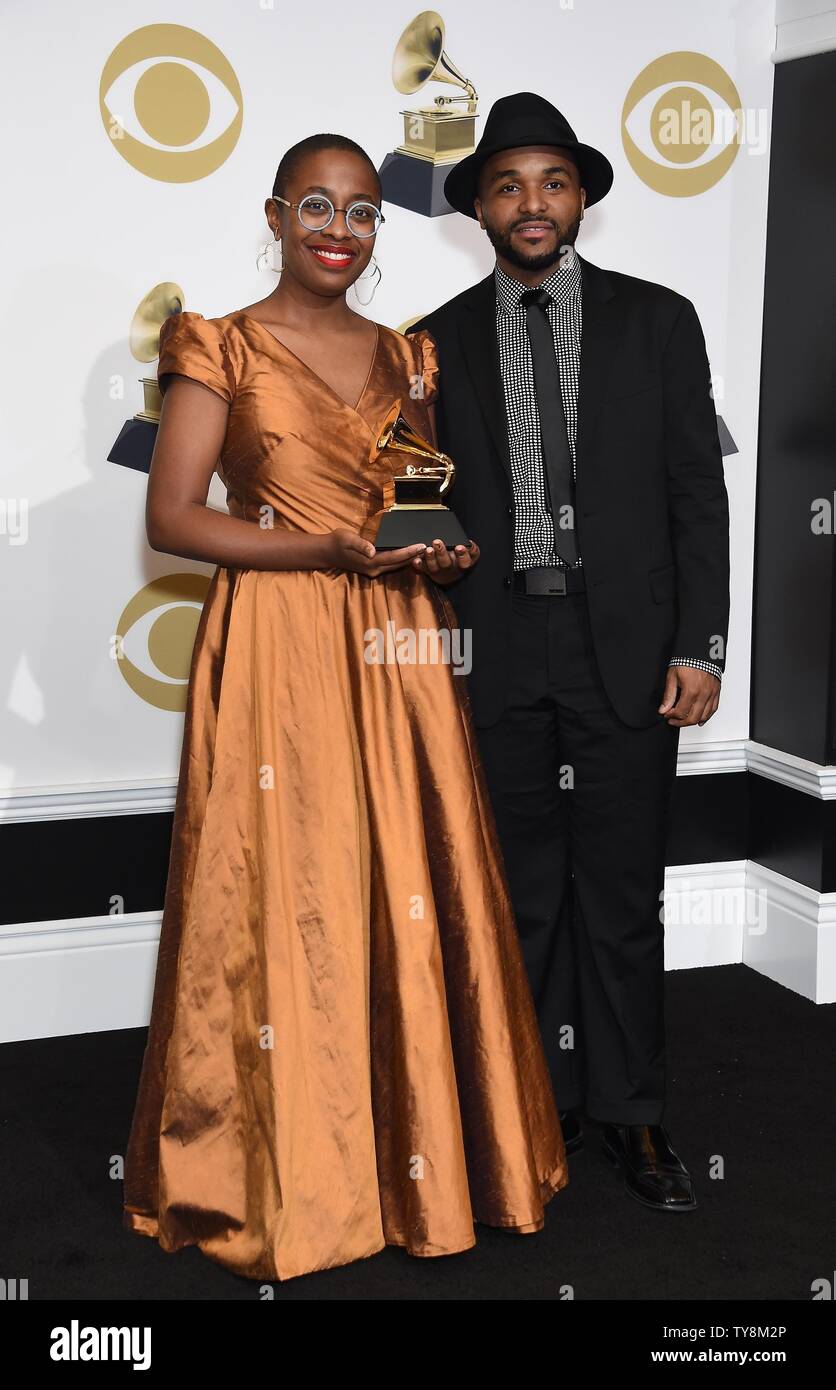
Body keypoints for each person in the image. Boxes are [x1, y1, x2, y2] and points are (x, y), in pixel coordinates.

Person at [121, 133, 567, 1283]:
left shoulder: (408, 356)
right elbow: (172, 520)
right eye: (315, 205)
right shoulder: (218, 343)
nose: (338, 227)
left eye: (362, 210)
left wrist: (445, 553)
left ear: (377, 230)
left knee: (409, 887)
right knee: (288, 886)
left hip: (396, 639)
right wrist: (315, 545)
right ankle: (284, 1178)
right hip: (275, 634)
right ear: (274, 215)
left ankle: (421, 1151)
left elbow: (416, 508)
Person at [408, 93, 730, 1212]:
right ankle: (524, 1113)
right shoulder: (431, 342)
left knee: (622, 893)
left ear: (580, 195)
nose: (529, 202)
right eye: (506, 184)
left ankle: (632, 1116)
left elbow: (697, 490)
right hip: (496, 647)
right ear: (479, 210)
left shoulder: (659, 320)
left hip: (632, 647)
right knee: (518, 897)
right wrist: (424, 553)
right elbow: (414, 507)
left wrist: (701, 643)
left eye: (550, 181)